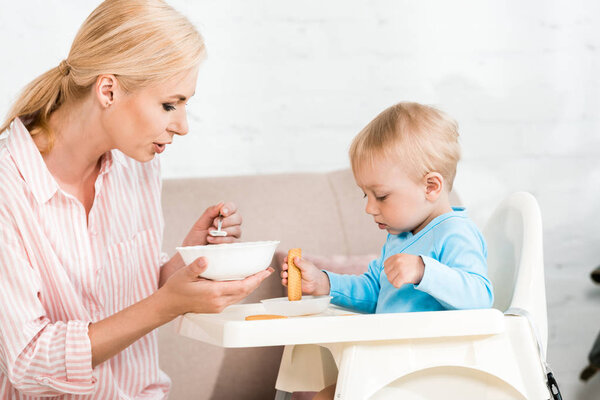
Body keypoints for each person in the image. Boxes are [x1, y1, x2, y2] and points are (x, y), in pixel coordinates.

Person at [0, 0, 273, 398]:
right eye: (169, 104)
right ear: (108, 89)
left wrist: (188, 261)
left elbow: (124, 297)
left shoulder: (136, 163)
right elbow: (28, 360)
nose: (181, 126)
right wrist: (168, 303)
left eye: (185, 104)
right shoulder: (9, 186)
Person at [280, 102, 494, 399]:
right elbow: (373, 291)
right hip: (391, 368)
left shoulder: (455, 232)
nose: (369, 208)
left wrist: (424, 271)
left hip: (432, 375)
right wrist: (325, 283)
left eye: (380, 196)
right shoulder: (400, 237)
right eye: (365, 195)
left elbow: (480, 298)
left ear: (431, 186)